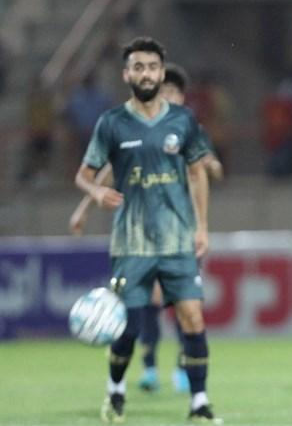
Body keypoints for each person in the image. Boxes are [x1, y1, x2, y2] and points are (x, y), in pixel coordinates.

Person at [74, 38, 220, 423]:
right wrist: (96, 192)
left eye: (152, 67)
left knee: (193, 317)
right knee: (129, 328)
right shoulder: (111, 123)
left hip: (177, 240)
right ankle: (116, 391)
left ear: (160, 71)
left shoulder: (183, 120)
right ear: (127, 74)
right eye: (138, 67)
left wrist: (203, 226)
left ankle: (200, 402)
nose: (146, 74)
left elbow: (197, 173)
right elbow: (84, 174)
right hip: (131, 243)